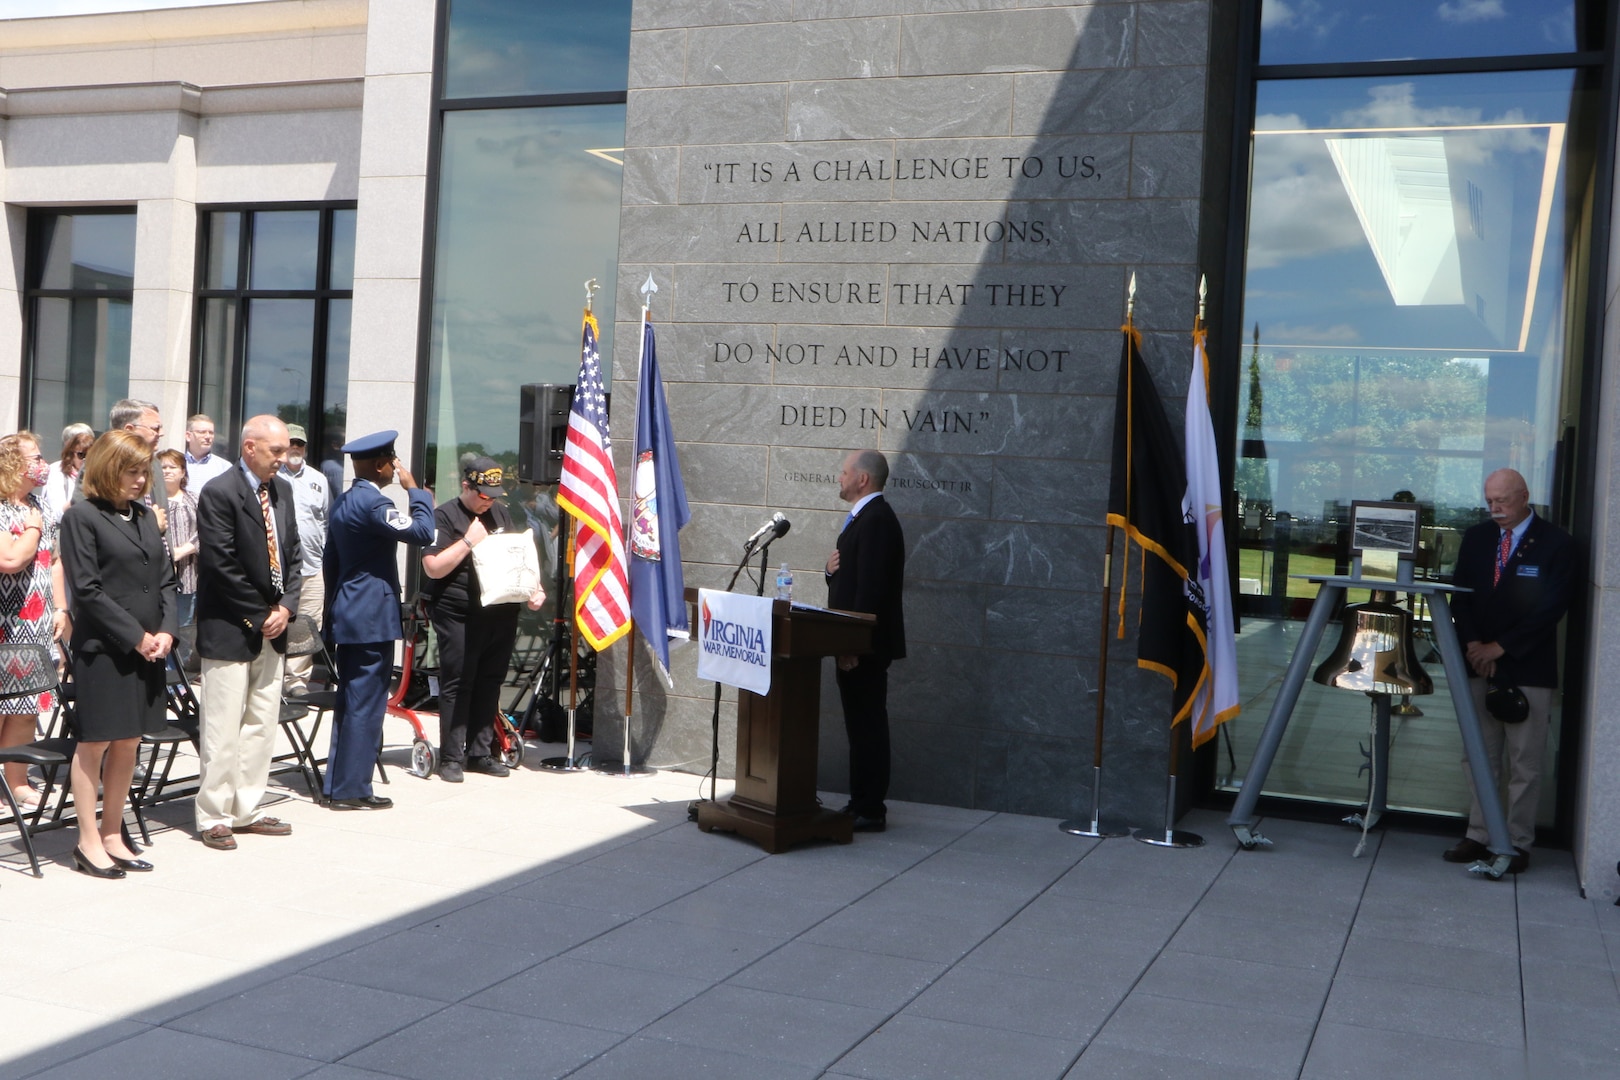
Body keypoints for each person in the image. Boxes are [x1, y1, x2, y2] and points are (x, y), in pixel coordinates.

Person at [1444, 468, 1574, 874]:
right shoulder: (1477, 538)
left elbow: (1551, 607)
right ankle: (1479, 833)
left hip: (1527, 666)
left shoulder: (1556, 544)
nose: (1495, 508)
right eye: (1489, 501)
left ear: (1524, 496)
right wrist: (1473, 646)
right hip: (1479, 663)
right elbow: (1460, 597)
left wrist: (1501, 647)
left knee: (1524, 762)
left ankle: (1516, 842)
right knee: (1479, 756)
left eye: (1502, 500)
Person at [58, 430, 176, 877]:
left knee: (129, 740)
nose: (141, 480)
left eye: (144, 472)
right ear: (108, 469)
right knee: (95, 742)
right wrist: (135, 636)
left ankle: (113, 832)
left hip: (148, 648)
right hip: (104, 648)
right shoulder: (82, 517)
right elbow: (86, 590)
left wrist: (165, 632)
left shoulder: (145, 516)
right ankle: (87, 841)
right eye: (133, 471)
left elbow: (164, 579)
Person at [193, 416, 301, 851]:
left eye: (286, 450)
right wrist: (260, 614)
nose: (284, 458)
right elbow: (220, 564)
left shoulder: (284, 491)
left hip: (273, 626)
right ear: (250, 447)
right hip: (230, 627)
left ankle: (246, 809)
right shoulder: (219, 492)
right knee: (223, 726)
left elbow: (293, 554)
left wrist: (287, 606)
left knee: (261, 722)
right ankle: (214, 815)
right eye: (276, 451)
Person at [322, 430, 433, 810]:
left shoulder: (343, 502)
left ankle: (338, 785)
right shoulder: (374, 503)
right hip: (370, 617)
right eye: (392, 461)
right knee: (366, 704)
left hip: (350, 613)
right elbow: (423, 532)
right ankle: (352, 790)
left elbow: (330, 565)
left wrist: (330, 615)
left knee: (352, 702)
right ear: (380, 464)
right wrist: (416, 492)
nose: (396, 467)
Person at [421, 457, 545, 782]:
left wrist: (535, 587)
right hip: (458, 611)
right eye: (483, 494)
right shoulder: (444, 516)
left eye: (493, 495)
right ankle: (450, 756)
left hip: (499, 611)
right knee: (459, 682)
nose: (488, 500)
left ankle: (480, 753)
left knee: (490, 681)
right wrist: (467, 542)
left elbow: (517, 554)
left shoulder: (500, 513)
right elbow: (432, 567)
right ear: (466, 486)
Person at [824, 449, 906, 832]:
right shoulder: (862, 519)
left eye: (844, 473)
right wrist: (830, 572)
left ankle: (871, 808)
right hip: (856, 644)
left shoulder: (875, 520)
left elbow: (870, 592)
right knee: (860, 727)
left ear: (862, 479)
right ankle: (860, 802)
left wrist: (853, 646)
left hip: (865, 648)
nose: (838, 478)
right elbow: (853, 578)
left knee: (869, 726)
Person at [0, 433, 69, 812]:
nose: (42, 464)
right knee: (0, 705)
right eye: (35, 457)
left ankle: (17, 780)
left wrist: (60, 607)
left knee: (26, 706)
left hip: (37, 622)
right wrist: (33, 529)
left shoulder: (40, 504)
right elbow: (10, 560)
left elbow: (54, 560)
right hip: (4, 625)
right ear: (12, 462)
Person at [280, 424, 331, 696]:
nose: (295, 449)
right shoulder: (273, 477)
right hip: (280, 569)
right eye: (291, 444)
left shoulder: (318, 480)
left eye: (299, 444)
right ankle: (274, 676)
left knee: (309, 622)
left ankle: (297, 679)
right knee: (278, 620)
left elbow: (325, 521)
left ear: (306, 448)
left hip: (312, 567)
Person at [157, 450, 199, 627]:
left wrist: (182, 551)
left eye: (172, 467)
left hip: (189, 575)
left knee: (183, 629)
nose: (167, 471)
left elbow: (208, 531)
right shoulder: (147, 501)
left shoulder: (195, 499)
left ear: (182, 471)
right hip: (157, 577)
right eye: (162, 467)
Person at [109, 398, 168, 519]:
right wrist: (150, 525)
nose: (161, 433)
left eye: (144, 472)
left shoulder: (155, 463)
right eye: (155, 428)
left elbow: (163, 515)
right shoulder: (101, 464)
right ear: (129, 430)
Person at [43, 422, 93, 524]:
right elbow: (56, 515)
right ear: (70, 448)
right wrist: (77, 499)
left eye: (90, 454)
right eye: (81, 454)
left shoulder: (97, 472)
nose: (85, 459)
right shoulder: (57, 471)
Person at [183, 413, 233, 491]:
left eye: (211, 433)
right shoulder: (177, 465)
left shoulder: (224, 467)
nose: (207, 437)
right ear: (188, 436)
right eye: (202, 432)